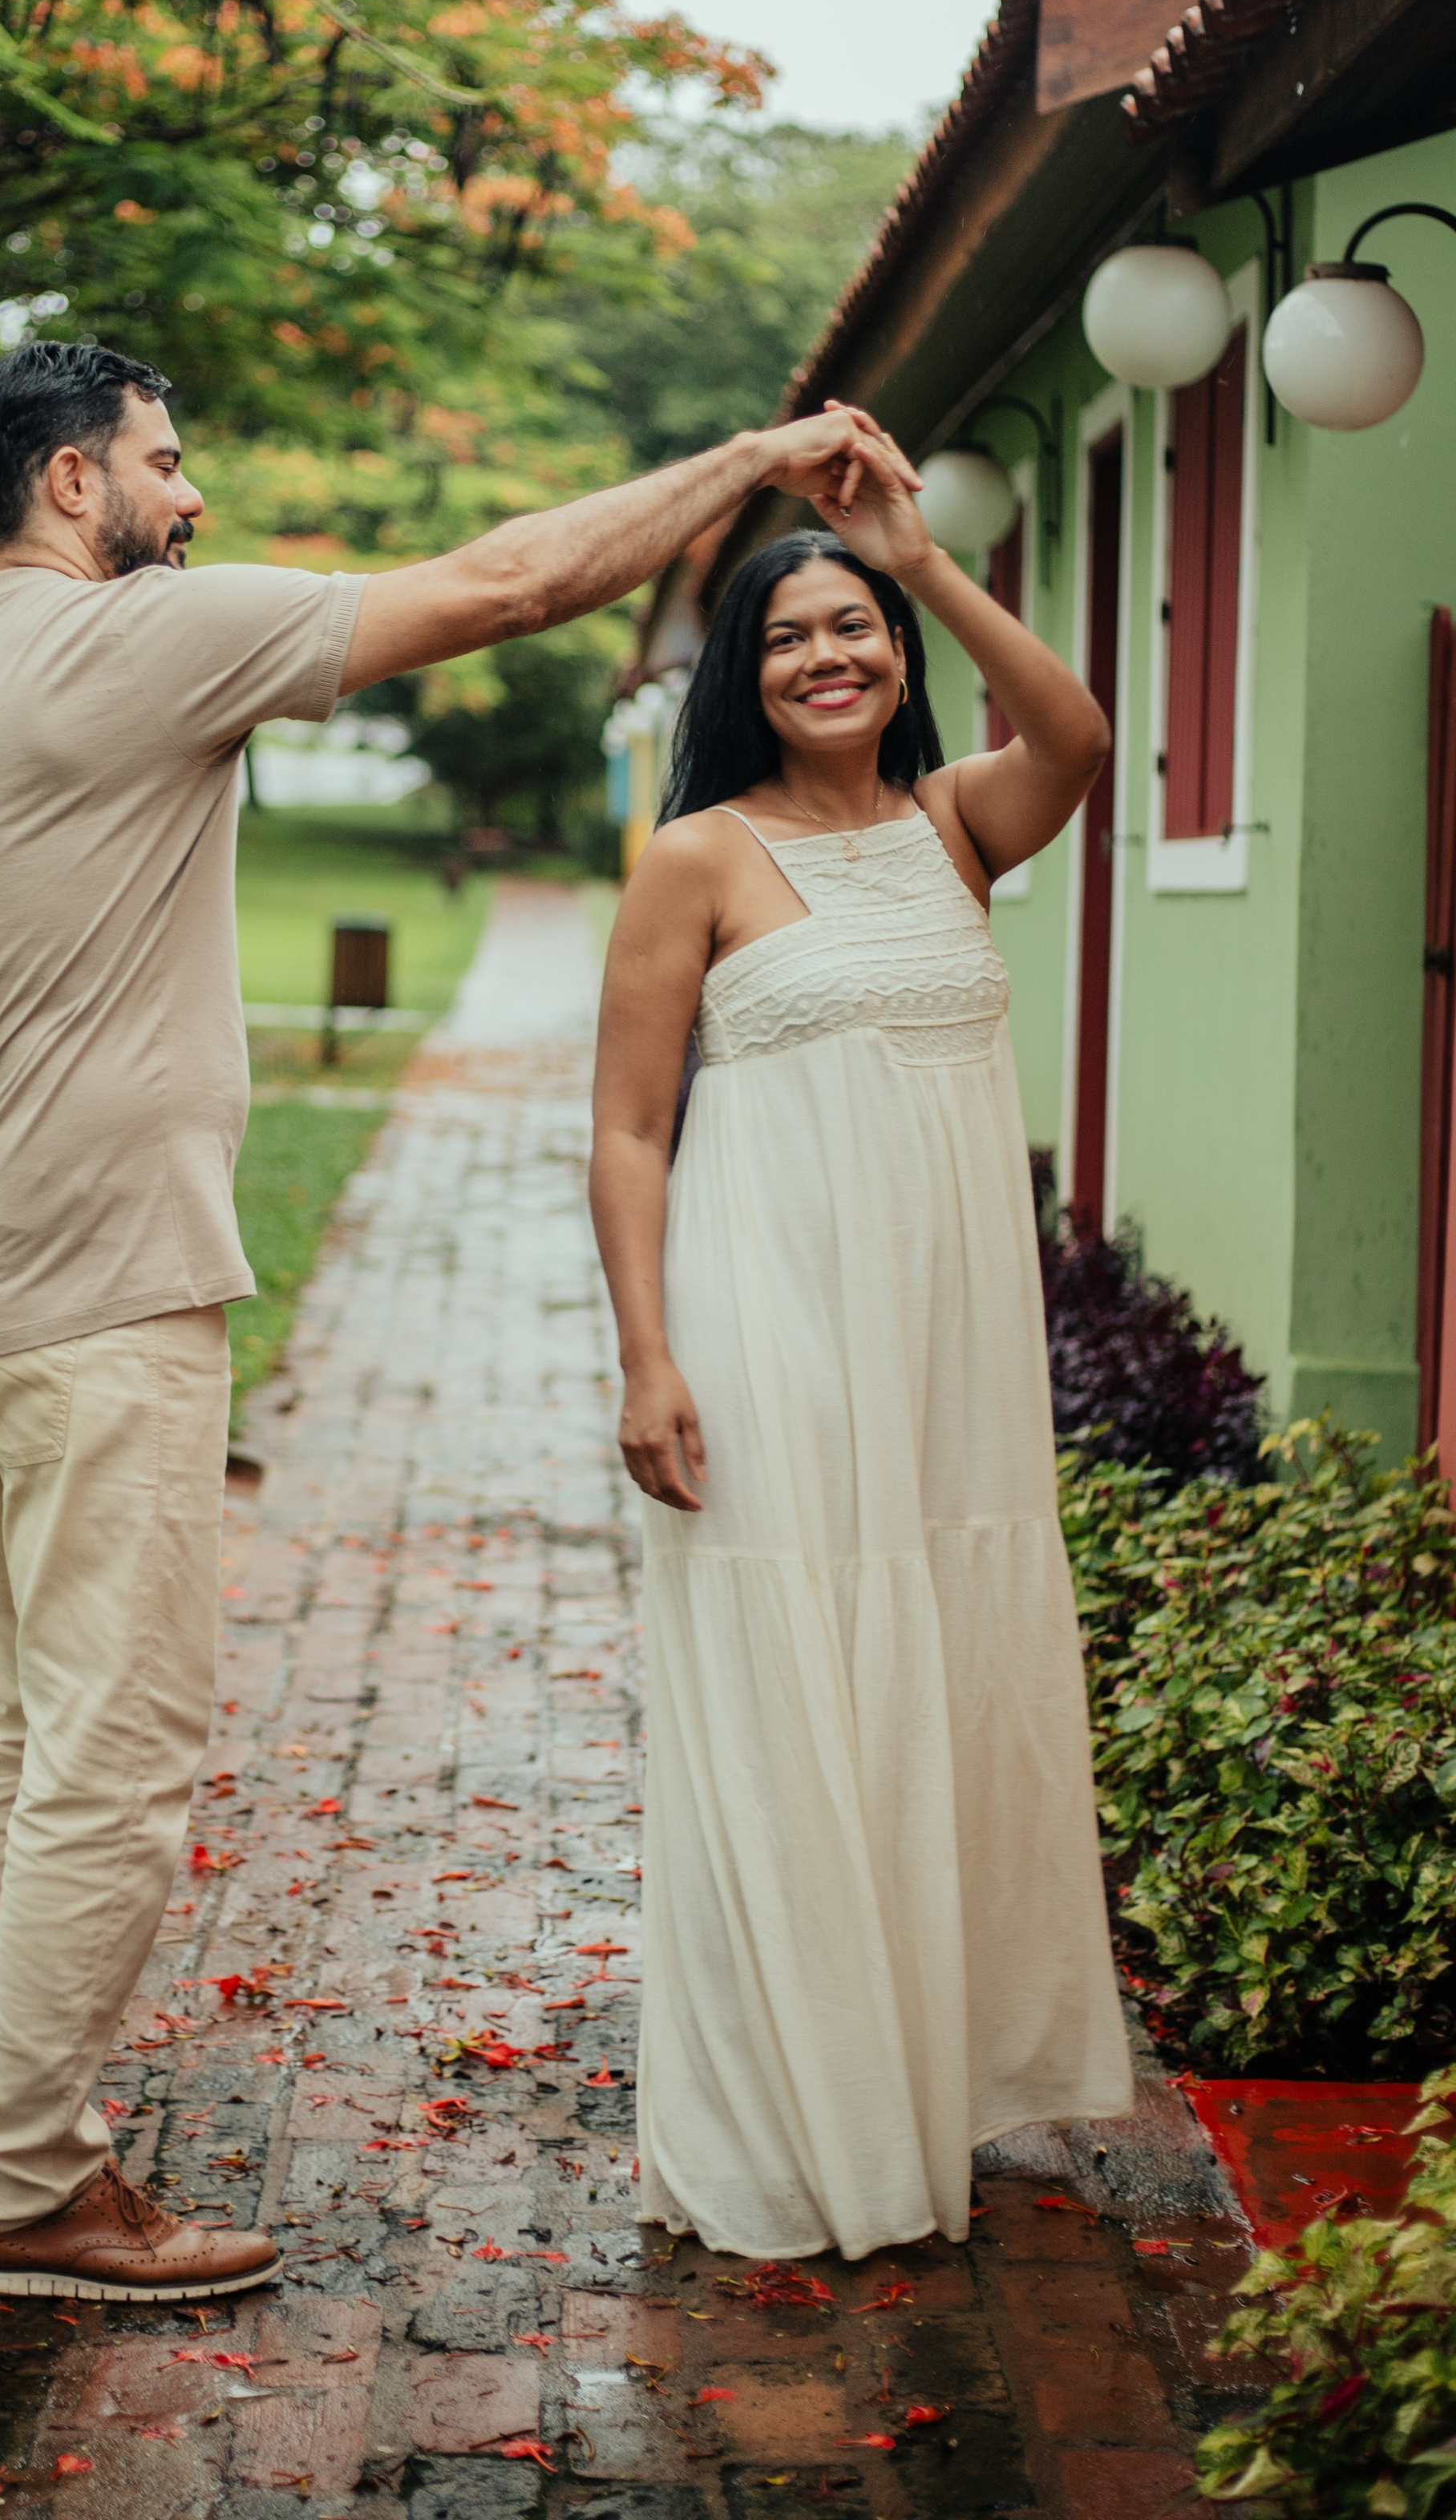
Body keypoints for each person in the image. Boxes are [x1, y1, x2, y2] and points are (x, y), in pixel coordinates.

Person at [0, 335, 908, 2304]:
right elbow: (505, 588)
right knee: (116, 1755)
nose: (188, 494)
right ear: (72, 486)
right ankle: (44, 2192)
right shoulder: (135, 639)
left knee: (11, 1728)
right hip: (101, 1283)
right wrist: (745, 452)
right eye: (163, 459)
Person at [588, 430, 1133, 2266]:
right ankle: (790, 2121)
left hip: (945, 1340)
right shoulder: (693, 860)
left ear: (894, 650)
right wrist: (645, 1358)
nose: (827, 658)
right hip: (771, 1320)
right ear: (739, 680)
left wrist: (920, 554)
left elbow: (1076, 739)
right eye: (787, 639)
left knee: (933, 1677)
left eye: (855, 629)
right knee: (792, 1680)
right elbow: (628, 1129)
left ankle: (914, 2089)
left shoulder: (954, 819)